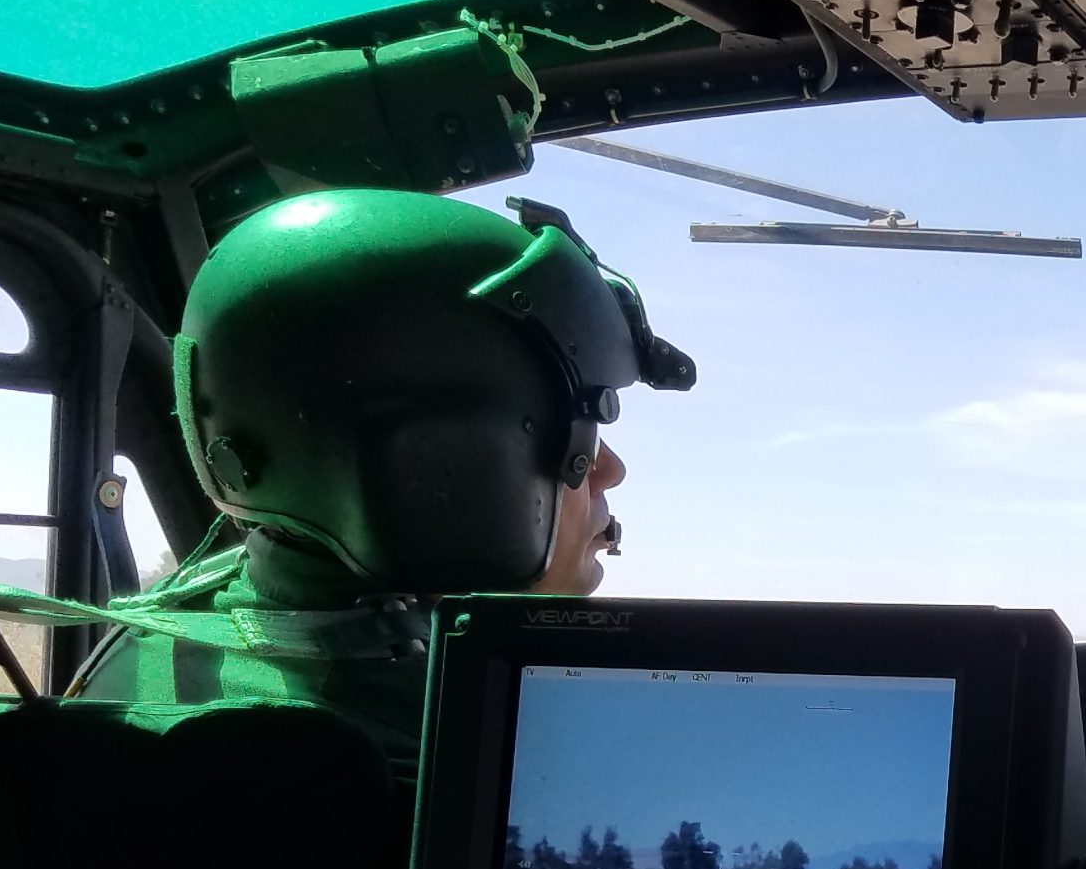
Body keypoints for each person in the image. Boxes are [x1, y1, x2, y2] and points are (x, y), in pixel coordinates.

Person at [70, 187, 688, 771]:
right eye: (582, 426)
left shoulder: (159, 635)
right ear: (447, 456)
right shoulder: (465, 750)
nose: (610, 468)